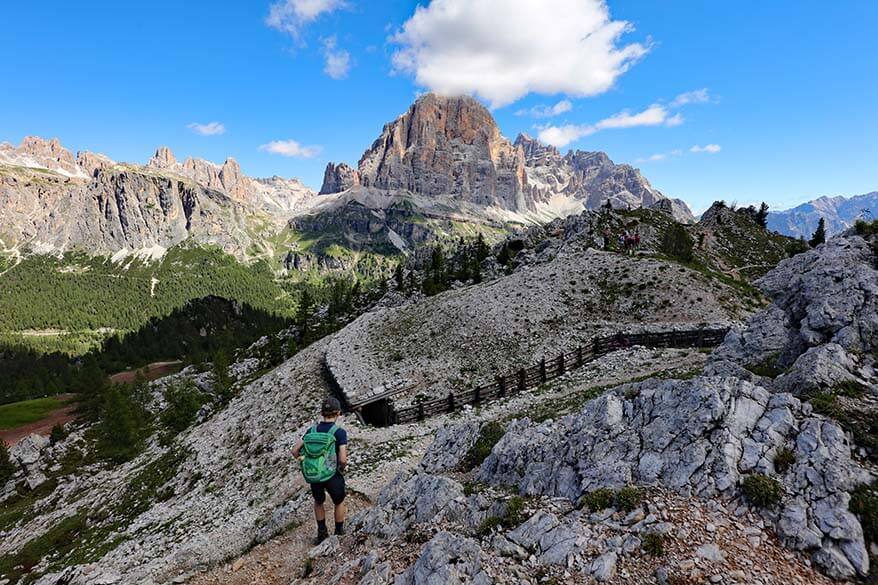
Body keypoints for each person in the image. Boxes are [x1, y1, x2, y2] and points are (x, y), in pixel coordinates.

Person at [293, 396, 349, 544]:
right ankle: (338, 531)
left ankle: (322, 533)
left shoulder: (311, 430)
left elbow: (294, 451)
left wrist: (302, 460)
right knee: (339, 501)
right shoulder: (339, 432)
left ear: (322, 413)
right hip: (332, 473)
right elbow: (343, 459)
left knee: (319, 502)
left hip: (314, 473)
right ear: (338, 413)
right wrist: (341, 469)